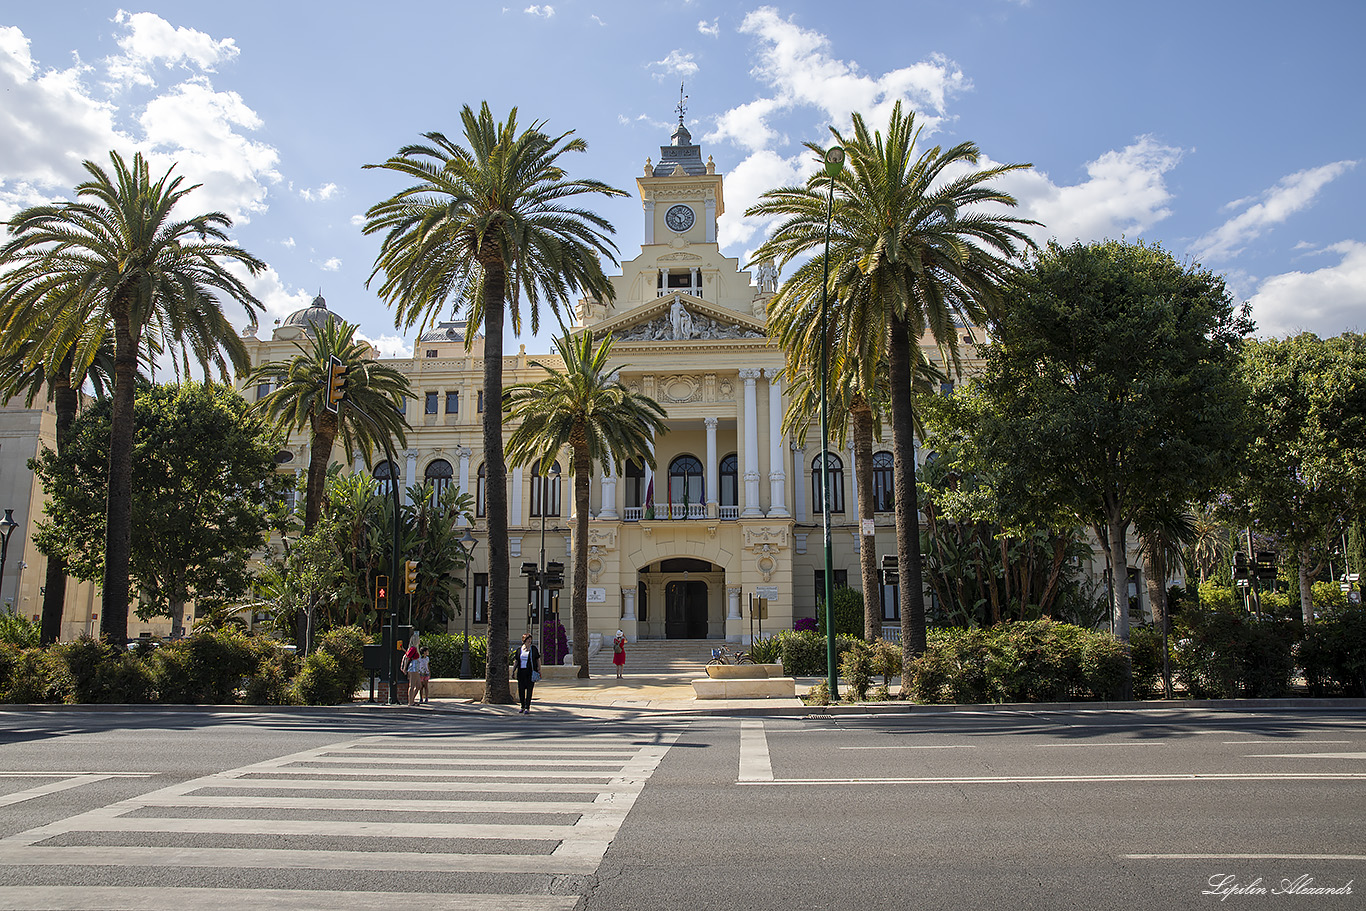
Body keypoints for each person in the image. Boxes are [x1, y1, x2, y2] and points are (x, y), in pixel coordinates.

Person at [515, 632, 541, 714]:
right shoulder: (519, 650)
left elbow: (538, 659)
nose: (529, 641)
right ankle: (522, 706)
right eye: (528, 640)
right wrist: (513, 671)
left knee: (529, 690)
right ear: (524, 640)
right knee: (521, 690)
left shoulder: (533, 649)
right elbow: (516, 660)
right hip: (521, 672)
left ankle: (527, 707)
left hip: (530, 672)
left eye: (530, 640)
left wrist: (539, 669)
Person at [403, 634, 421, 706]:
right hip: (413, 667)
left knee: (418, 685)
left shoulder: (414, 649)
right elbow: (407, 658)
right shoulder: (413, 649)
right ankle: (410, 702)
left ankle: (412, 700)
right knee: (412, 685)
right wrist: (404, 668)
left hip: (416, 667)